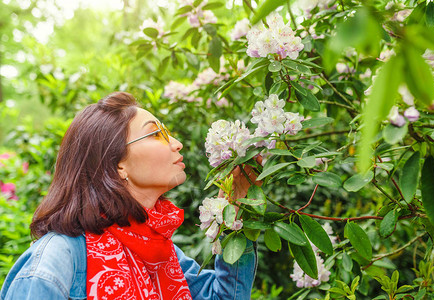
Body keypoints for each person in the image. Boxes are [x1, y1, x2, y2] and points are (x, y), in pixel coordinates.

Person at [0, 92, 258, 300]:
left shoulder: (160, 251)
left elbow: (223, 296)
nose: (176, 143)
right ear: (117, 163)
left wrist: (236, 208)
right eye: (156, 134)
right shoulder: (56, 259)